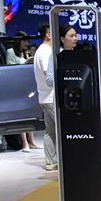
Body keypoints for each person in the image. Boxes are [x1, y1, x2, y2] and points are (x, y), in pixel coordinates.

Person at [32, 22, 57, 171]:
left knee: (50, 131)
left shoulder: (40, 51)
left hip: (44, 97)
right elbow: (50, 77)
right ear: (48, 35)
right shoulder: (47, 52)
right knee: (61, 130)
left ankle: (51, 161)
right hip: (51, 97)